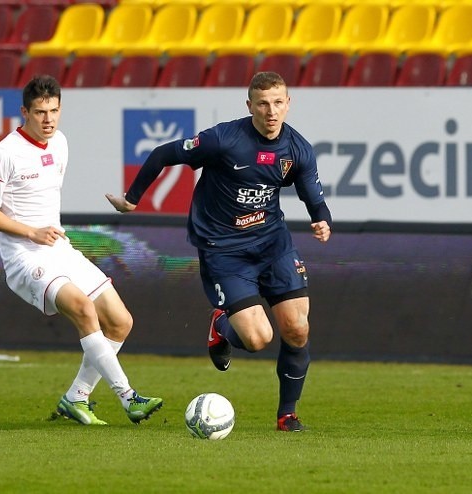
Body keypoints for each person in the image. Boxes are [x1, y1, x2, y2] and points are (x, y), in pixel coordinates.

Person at [106, 71, 332, 432]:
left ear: (288, 104)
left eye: (277, 102)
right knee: (258, 339)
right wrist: (132, 199)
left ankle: (287, 415)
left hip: (273, 244)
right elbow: (163, 153)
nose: (271, 111)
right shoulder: (224, 139)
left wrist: (322, 220)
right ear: (250, 106)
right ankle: (221, 326)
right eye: (263, 103)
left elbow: (313, 194)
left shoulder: (297, 148)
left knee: (297, 328)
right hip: (224, 250)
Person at [0, 75, 163, 426]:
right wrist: (30, 231)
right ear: (24, 113)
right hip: (24, 257)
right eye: (40, 112)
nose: (48, 119)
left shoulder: (59, 142)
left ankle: (76, 398)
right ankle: (129, 397)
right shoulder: (4, 154)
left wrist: (48, 234)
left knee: (121, 322)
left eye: (54, 110)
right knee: (82, 307)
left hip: (58, 249)